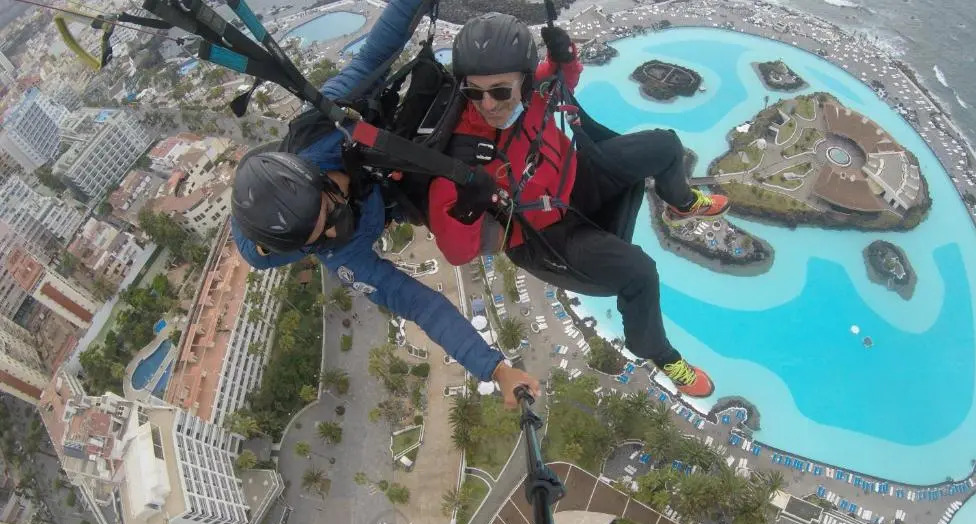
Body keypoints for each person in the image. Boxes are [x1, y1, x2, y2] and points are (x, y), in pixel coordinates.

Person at [229, 0, 539, 408]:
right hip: (394, 191)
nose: (335, 229)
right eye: (318, 239)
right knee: (491, 235)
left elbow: (378, 51)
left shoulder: (325, 126)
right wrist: (495, 369)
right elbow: (419, 304)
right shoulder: (342, 253)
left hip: (381, 150)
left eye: (331, 210)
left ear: (317, 176)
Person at [427, 14, 731, 398]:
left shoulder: (533, 93)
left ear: (523, 82)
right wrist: (468, 205)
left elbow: (564, 78)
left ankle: (682, 203)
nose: (488, 104)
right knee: (639, 272)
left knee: (666, 146)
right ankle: (660, 354)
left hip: (575, 180)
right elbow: (456, 253)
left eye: (500, 91)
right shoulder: (460, 157)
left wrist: (565, 53)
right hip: (543, 237)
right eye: (475, 92)